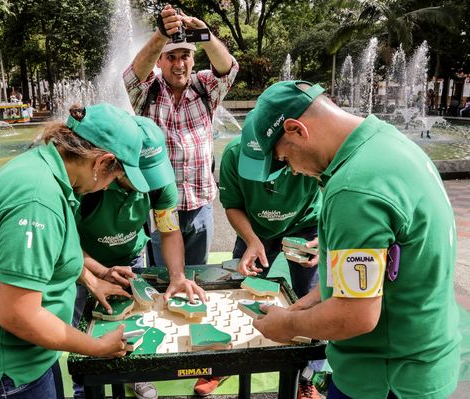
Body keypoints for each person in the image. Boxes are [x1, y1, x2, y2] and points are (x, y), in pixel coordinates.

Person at [241, 80, 460, 398]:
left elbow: (355, 315)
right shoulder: (385, 142)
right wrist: (318, 296)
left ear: (296, 129)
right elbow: (384, 269)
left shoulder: (353, 187)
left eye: (284, 160)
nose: (292, 171)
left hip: (384, 379)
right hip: (423, 363)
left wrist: (287, 326)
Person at [0, 103, 150, 398]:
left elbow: (51, 251)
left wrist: (94, 277)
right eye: (113, 178)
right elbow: (18, 315)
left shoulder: (47, 170)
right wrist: (97, 347)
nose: (107, 187)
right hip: (3, 369)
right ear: (103, 163)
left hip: (25, 356)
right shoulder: (37, 200)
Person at [72, 116, 206, 399]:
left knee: (135, 320)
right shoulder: (86, 183)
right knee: (85, 325)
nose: (147, 185)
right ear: (117, 165)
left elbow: (169, 231)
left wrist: (178, 276)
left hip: (131, 258)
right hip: (82, 261)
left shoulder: (160, 182)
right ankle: (85, 387)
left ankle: (137, 375)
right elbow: (65, 242)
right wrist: (97, 273)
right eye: (139, 175)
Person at [123, 3, 238, 267]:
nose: (179, 64)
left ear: (194, 59)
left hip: (200, 205)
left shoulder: (204, 88)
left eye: (185, 55)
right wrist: (161, 35)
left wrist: (206, 35)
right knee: (164, 279)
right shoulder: (147, 92)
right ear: (160, 61)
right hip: (161, 208)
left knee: (197, 277)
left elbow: (228, 68)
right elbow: (131, 76)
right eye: (171, 57)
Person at [214, 131, 323, 399]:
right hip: (255, 229)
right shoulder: (233, 153)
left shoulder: (314, 149)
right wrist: (251, 240)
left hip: (305, 226)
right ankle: (224, 359)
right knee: (239, 292)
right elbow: (232, 204)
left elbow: (337, 196)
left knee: (309, 299)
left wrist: (325, 238)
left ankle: (306, 374)